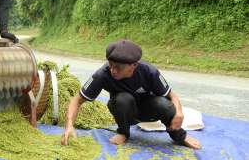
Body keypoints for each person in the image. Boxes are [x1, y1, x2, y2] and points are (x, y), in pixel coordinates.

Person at [61, 39, 202, 150]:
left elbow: (172, 96)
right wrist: (69, 126)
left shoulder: (149, 71)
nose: (113, 71)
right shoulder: (102, 74)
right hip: (125, 113)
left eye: (119, 67)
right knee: (123, 99)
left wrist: (179, 115)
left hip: (149, 111)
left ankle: (179, 136)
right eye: (110, 65)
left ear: (134, 65)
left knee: (165, 104)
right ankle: (123, 132)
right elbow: (76, 100)